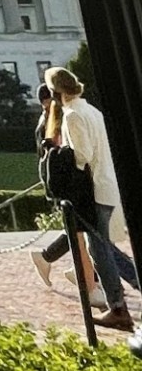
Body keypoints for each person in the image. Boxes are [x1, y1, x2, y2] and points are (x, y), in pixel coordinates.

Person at [47, 66, 140, 332]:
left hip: (95, 189)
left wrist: (61, 157)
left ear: (57, 92)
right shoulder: (92, 111)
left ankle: (119, 307)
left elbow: (82, 156)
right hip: (107, 185)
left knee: (99, 249)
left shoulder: (73, 115)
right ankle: (120, 302)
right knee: (103, 247)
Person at [30, 84, 104, 307]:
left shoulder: (51, 120)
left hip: (65, 185)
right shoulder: (54, 121)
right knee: (82, 232)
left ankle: (82, 274)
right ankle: (90, 281)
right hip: (69, 185)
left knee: (80, 232)